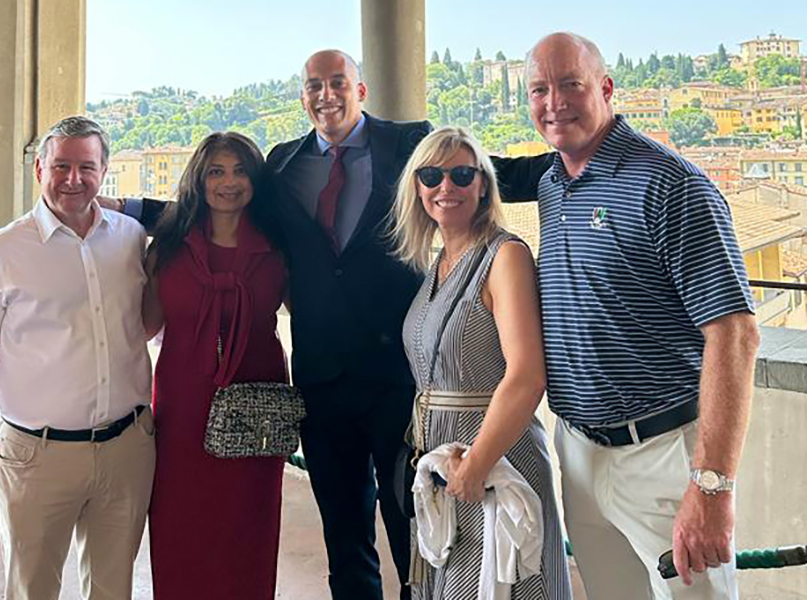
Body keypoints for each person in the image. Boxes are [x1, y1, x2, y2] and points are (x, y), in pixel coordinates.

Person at [116, 49, 551, 600]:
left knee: (416, 533)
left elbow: (488, 174)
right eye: (315, 85)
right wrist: (126, 206)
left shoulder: (409, 145)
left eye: (338, 82)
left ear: (361, 90)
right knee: (345, 540)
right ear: (303, 97)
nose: (327, 95)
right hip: (322, 381)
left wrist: (575, 158)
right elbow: (216, 206)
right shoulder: (281, 163)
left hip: (399, 377)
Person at [525, 32, 760, 599]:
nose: (554, 102)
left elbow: (734, 334)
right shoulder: (553, 185)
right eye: (539, 89)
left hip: (662, 455)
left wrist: (711, 486)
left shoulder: (671, 184)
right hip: (578, 451)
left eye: (571, 85)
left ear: (605, 89)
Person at [0, 116, 155, 600]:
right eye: (61, 166)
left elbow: (147, 321)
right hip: (37, 457)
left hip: (127, 451)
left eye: (86, 167)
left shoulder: (131, 239)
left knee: (113, 589)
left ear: (105, 171)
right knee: (33, 589)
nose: (73, 179)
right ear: (39, 169)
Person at [392, 126, 572, 599]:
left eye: (461, 174)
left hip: (497, 463)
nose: (445, 187)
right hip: (447, 468)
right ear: (417, 187)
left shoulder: (505, 256)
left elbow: (527, 374)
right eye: (431, 175)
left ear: (484, 184)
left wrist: (477, 463)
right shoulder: (437, 263)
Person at [142, 132, 288, 599]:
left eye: (241, 170)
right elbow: (143, 326)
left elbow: (314, 312)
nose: (229, 182)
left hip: (259, 403)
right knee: (179, 523)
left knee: (250, 525)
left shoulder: (280, 247)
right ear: (198, 180)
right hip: (182, 408)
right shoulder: (166, 246)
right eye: (216, 171)